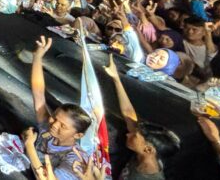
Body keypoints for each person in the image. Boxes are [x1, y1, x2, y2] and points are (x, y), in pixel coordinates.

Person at [22, 35, 91, 180]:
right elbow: (39, 94)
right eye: (54, 118)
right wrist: (37, 58)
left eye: (63, 126)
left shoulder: (75, 159)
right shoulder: (48, 126)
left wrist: (29, 145)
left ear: (78, 135)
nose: (53, 125)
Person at [104, 55, 180, 179]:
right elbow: (128, 113)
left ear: (148, 150)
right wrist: (116, 78)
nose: (128, 134)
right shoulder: (146, 154)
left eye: (134, 135)